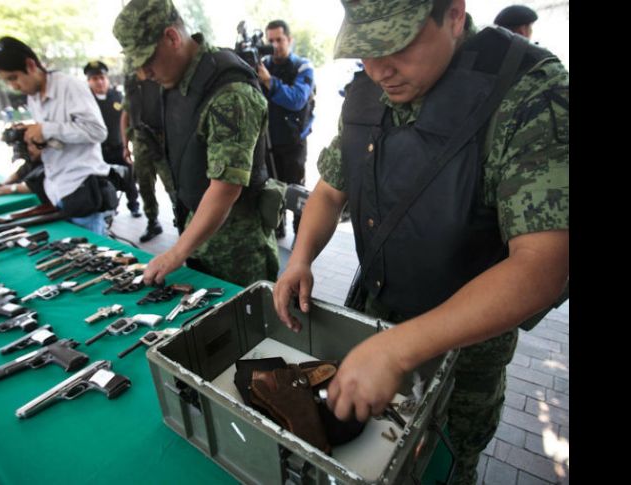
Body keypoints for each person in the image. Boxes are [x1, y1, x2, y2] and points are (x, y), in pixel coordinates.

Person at [272, 1, 568, 484]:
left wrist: (396, 350)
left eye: (396, 45)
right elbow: (329, 191)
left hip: (464, 353)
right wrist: (299, 259)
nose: (379, 69)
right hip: (376, 316)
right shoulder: (369, 91)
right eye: (365, 51)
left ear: (453, 15)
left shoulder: (529, 92)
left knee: (442, 466)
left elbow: (542, 265)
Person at [113, 0, 279, 287]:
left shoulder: (230, 93)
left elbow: (225, 189)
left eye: (147, 61)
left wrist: (176, 253)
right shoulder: (179, 80)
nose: (143, 74)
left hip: (238, 253)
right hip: (199, 238)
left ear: (172, 38)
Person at [0, 36, 118, 236]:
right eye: (7, 81)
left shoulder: (69, 86)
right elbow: (59, 136)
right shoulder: (33, 98)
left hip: (81, 188)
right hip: (57, 189)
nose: (13, 86)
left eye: (13, 78)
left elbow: (97, 131)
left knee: (95, 254)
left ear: (30, 65)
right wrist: (36, 140)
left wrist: (46, 129)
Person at [257, 19, 315, 239]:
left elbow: (297, 100)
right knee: (272, 191)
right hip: (268, 143)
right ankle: (276, 229)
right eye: (270, 40)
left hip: (293, 144)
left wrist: (269, 81)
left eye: (279, 40)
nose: (274, 45)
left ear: (289, 40)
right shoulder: (262, 65)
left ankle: (301, 238)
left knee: (297, 194)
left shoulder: (302, 66)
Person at [121, 72, 176, 242]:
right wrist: (125, 146)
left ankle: (182, 220)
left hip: (162, 140)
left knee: (172, 185)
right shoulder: (132, 86)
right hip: (140, 140)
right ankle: (153, 221)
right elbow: (125, 116)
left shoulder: (162, 78)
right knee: (144, 183)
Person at [83, 60, 142, 219]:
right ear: (89, 81)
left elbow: (128, 122)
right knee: (104, 182)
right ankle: (110, 208)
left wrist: (127, 145)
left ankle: (134, 205)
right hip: (98, 152)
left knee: (129, 179)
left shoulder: (117, 97)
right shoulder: (85, 101)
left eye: (102, 77)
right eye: (95, 79)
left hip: (118, 147)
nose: (99, 81)